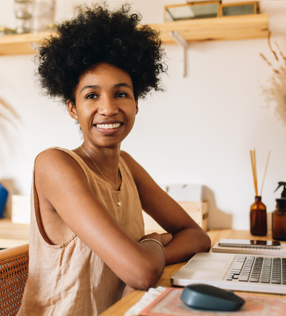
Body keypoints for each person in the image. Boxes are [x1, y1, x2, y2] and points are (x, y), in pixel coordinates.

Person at [17, 4, 212, 315]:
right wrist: (153, 244)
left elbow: (198, 237)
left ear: (136, 103)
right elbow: (140, 272)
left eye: (121, 94)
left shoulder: (128, 167)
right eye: (91, 96)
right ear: (72, 108)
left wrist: (151, 248)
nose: (108, 108)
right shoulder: (55, 165)